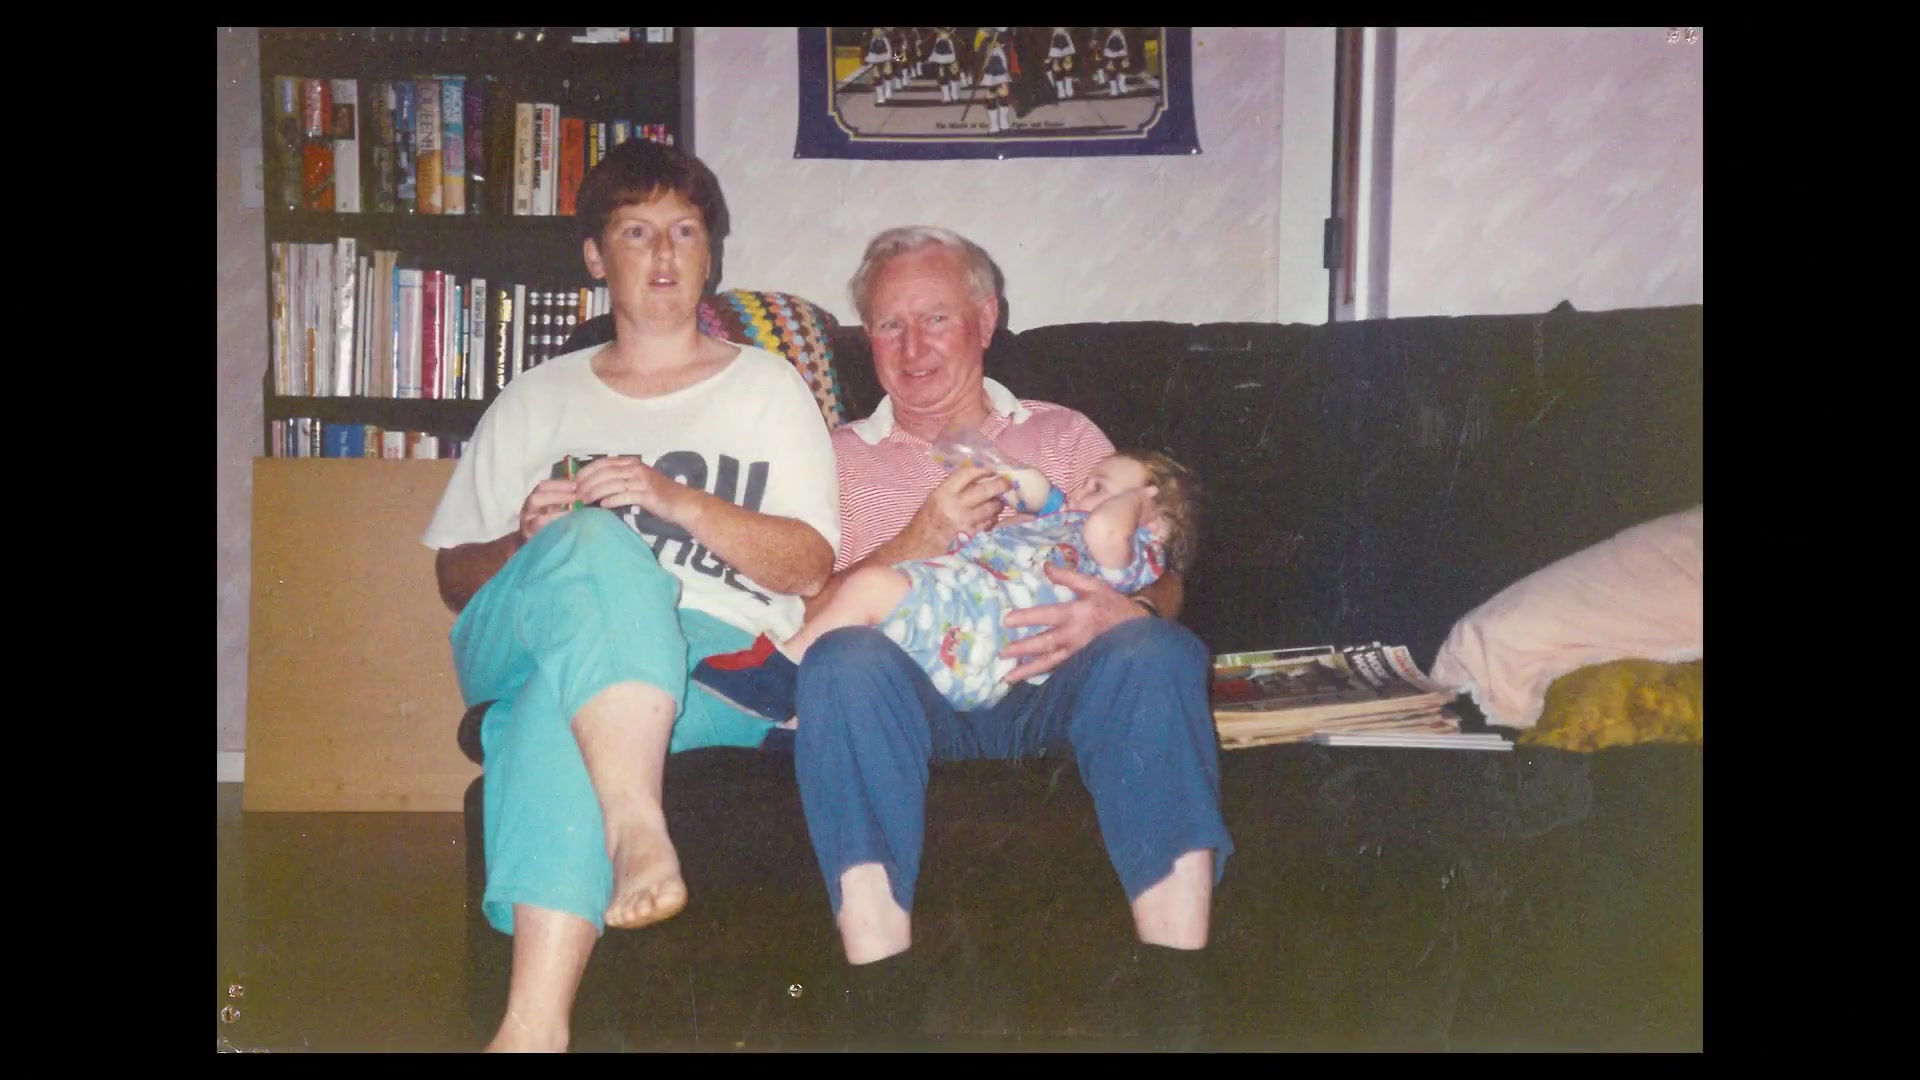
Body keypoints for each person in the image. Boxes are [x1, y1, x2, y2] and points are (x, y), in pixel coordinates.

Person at [419, 138, 840, 1053]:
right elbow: (454, 577)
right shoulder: (534, 398)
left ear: (710, 254)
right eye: (636, 231)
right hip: (526, 627)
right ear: (594, 256)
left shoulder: (769, 392)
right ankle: (637, 822)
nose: (663, 255)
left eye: (684, 231)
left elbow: (810, 567)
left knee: (554, 704)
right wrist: (525, 540)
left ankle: (531, 1030)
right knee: (588, 542)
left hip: (713, 661)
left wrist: (672, 499)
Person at [792, 225, 1234, 1049]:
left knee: (1160, 651)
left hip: (1054, 683)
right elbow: (811, 611)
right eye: (889, 325)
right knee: (841, 661)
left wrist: (1130, 612)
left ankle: (1177, 1007)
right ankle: (882, 1008)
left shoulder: (1063, 436)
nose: (912, 347)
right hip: (912, 696)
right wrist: (919, 537)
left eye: (935, 318)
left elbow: (1162, 567)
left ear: (986, 319)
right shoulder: (835, 458)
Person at [690, 447, 1201, 720]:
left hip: (985, 634)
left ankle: (776, 675)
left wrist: (1139, 503)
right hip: (964, 636)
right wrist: (1020, 481)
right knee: (860, 637)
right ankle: (795, 722)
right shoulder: (1069, 520)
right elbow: (1044, 496)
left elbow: (1114, 537)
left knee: (871, 590)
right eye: (891, 325)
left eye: (1098, 486)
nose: (1080, 492)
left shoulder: (1128, 547)